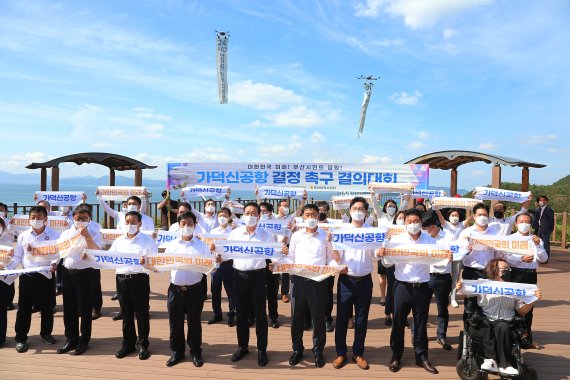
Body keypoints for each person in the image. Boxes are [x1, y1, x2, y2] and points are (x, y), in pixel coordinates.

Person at [378, 208, 450, 374]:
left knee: (420, 323)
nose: (413, 225)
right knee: (398, 322)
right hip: (402, 286)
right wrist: (384, 254)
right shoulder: (396, 239)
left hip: (423, 287)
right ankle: (396, 355)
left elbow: (438, 262)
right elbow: (388, 264)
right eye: (409, 222)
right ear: (404, 223)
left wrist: (446, 257)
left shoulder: (429, 240)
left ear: (421, 223)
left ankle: (422, 356)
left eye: (415, 221)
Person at [210, 202, 277, 367]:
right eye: (247, 212)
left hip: (258, 277)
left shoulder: (266, 235)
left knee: (260, 314)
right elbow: (227, 254)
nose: (250, 216)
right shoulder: (235, 233)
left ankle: (262, 349)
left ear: (259, 216)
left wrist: (277, 261)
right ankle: (242, 346)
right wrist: (219, 256)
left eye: (254, 213)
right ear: (242, 215)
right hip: (238, 276)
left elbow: (274, 256)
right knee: (240, 314)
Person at [274, 203, 335, 368]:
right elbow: (290, 259)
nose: (310, 218)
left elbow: (330, 259)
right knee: (297, 318)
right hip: (298, 282)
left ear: (318, 217)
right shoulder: (296, 236)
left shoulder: (325, 236)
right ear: (303, 217)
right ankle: (297, 349)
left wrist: (334, 268)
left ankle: (318, 350)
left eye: (314, 215)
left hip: (318, 281)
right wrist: (278, 262)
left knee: (318, 318)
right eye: (307, 215)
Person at [456, 259, 542, 376]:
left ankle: (505, 365)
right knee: (484, 323)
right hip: (485, 318)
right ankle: (490, 360)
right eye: (505, 269)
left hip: (506, 321)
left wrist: (533, 301)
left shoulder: (515, 288)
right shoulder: (482, 284)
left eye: (509, 269)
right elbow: (463, 294)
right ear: (495, 271)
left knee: (502, 326)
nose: (508, 271)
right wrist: (460, 287)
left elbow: (522, 310)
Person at [331, 197, 376, 370]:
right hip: (346, 281)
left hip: (365, 281)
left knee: (362, 319)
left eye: (361, 209)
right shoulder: (341, 231)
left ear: (366, 212)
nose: (358, 211)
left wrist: (379, 251)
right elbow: (337, 258)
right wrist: (333, 245)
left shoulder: (372, 231)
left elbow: (374, 256)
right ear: (350, 211)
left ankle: (358, 353)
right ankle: (341, 353)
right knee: (342, 318)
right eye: (355, 208)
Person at [163, 211, 211, 367]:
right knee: (175, 323)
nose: (186, 226)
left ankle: (196, 352)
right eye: (183, 224)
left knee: (194, 322)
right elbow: (162, 265)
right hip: (175, 290)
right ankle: (177, 352)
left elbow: (208, 267)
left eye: (190, 224)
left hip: (195, 290)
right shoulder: (172, 246)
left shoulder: (202, 246)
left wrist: (214, 261)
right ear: (178, 226)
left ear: (195, 226)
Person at [109, 211, 157, 360]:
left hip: (139, 279)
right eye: (128, 222)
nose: (130, 225)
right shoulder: (119, 241)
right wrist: (90, 256)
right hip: (122, 280)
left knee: (141, 313)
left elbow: (155, 262)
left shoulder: (147, 241)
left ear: (140, 224)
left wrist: (146, 261)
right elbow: (108, 257)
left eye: (133, 222)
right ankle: (128, 344)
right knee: (126, 314)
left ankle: (143, 344)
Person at [57, 205, 104, 355]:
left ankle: (84, 340)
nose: (81, 221)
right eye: (78, 218)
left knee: (84, 308)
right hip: (67, 272)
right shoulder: (66, 233)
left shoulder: (95, 232)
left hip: (85, 273)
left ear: (89, 218)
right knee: (69, 307)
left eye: (84, 218)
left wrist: (87, 237)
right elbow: (58, 251)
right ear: (73, 218)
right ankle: (71, 338)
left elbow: (97, 251)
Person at [12, 205, 59, 353]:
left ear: (45, 219)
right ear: (29, 219)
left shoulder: (55, 235)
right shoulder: (23, 235)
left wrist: (54, 264)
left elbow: (58, 255)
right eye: (33, 217)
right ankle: (21, 338)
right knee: (24, 308)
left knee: (47, 307)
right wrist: (7, 268)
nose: (36, 220)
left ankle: (46, 334)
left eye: (39, 218)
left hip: (46, 275)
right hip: (28, 276)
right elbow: (18, 256)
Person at [503, 212, 547, 348]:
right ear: (516, 224)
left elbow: (544, 259)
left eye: (527, 221)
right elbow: (505, 258)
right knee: (512, 306)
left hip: (530, 275)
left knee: (528, 307)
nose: (524, 224)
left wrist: (539, 245)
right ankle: (511, 338)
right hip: (515, 274)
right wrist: (520, 259)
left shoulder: (536, 239)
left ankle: (527, 339)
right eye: (521, 221)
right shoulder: (510, 239)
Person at [458, 203, 501, 320]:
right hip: (471, 272)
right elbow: (458, 254)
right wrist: (465, 249)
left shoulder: (494, 233)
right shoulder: (466, 233)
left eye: (485, 215)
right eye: (480, 214)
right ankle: (469, 334)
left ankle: (486, 333)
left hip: (489, 272)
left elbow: (498, 254)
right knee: (470, 305)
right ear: (474, 216)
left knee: (488, 302)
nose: (482, 217)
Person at [422, 211, 453, 351]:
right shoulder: (422, 237)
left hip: (442, 277)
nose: (425, 231)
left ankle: (441, 335)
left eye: (427, 228)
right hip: (425, 276)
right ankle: (418, 334)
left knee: (442, 308)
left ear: (434, 226)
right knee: (421, 308)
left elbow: (457, 254)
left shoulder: (449, 237)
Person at [435, 207, 472, 308]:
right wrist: (435, 207)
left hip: (458, 254)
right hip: (447, 254)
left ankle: (453, 297)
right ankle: (445, 295)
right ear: (449, 217)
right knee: (445, 275)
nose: (455, 217)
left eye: (456, 215)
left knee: (456, 276)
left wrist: (476, 203)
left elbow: (472, 217)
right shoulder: (445, 224)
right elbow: (439, 215)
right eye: (453, 215)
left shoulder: (461, 225)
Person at [207, 207, 236, 327]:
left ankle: (232, 315)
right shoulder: (212, 232)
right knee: (215, 290)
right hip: (215, 265)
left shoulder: (233, 232)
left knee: (231, 291)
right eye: (219, 216)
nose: (222, 218)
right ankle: (217, 314)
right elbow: (208, 246)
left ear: (229, 217)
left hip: (228, 264)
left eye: (224, 216)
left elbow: (235, 249)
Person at [259, 201, 280, 329]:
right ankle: (255, 316)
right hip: (256, 259)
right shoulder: (252, 223)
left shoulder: (276, 224)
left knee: (272, 290)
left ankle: (273, 317)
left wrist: (276, 260)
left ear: (270, 212)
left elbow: (281, 239)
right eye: (260, 211)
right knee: (257, 291)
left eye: (265, 211)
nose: (262, 213)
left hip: (271, 259)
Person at [316, 200, 335, 333]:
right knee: (309, 293)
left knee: (327, 294)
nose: (321, 212)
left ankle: (327, 318)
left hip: (327, 265)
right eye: (319, 210)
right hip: (311, 266)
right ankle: (308, 318)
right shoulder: (304, 225)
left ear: (327, 211)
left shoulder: (333, 226)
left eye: (324, 210)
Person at [0, 218, 16, 347]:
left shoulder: (8, 244)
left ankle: (1, 338)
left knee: (1, 310)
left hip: (2, 281)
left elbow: (12, 263)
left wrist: (4, 266)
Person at [534, 195, 554, 262]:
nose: (541, 202)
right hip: (539, 228)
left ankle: (546, 259)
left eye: (543, 200)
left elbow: (551, 221)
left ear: (546, 201)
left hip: (546, 229)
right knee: (538, 243)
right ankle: (539, 257)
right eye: (540, 200)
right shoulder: (539, 209)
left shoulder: (549, 210)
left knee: (545, 244)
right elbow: (536, 217)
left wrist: (550, 229)